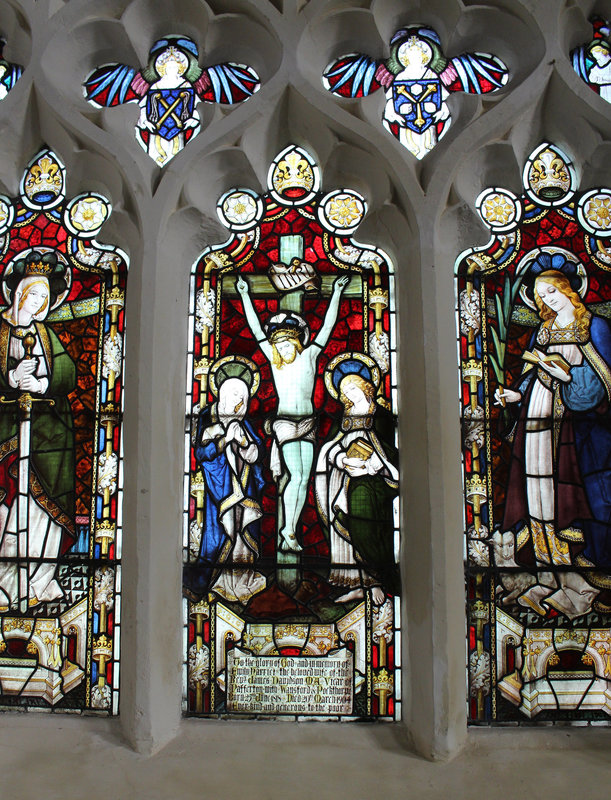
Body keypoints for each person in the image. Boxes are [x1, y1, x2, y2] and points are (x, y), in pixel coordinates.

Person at [495, 252, 611, 617]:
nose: (548, 300)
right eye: (541, 295)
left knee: (568, 495)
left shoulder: (595, 327)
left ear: (569, 290)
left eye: (552, 292)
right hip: (538, 418)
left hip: (580, 432)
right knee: (537, 492)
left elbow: (603, 385)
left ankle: (579, 585)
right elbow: (533, 375)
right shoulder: (542, 332)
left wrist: (567, 379)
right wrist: (516, 395)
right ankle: (548, 575)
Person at [236, 272, 349, 553]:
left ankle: (290, 529)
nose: (282, 348)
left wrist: (335, 293)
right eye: (278, 345)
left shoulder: (309, 356)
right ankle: (287, 530)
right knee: (295, 475)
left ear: (297, 342)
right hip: (285, 423)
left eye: (286, 344)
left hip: (308, 422)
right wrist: (244, 295)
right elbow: (255, 329)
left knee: (302, 478)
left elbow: (327, 327)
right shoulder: (276, 363)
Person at [0, 250, 76, 611]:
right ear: (19, 294)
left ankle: (38, 580)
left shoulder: (46, 337)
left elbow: (68, 374)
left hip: (47, 436)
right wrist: (10, 379)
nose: (40, 304)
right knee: (7, 505)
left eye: (46, 298)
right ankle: (5, 584)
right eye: (35, 295)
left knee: (41, 511)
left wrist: (43, 383)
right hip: (5, 433)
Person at [314, 354, 399, 605]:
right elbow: (330, 447)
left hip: (377, 483)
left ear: (365, 386)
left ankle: (378, 580)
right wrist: (341, 460)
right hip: (348, 480)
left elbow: (394, 450)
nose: (348, 393)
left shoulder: (381, 416)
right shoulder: (344, 419)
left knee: (368, 527)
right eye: (343, 391)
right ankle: (360, 583)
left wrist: (376, 463)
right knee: (347, 521)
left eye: (352, 387)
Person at [183, 357, 266, 605]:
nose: (239, 400)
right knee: (219, 533)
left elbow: (256, 453)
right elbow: (201, 452)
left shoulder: (245, 424)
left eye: (243, 395)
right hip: (217, 488)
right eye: (234, 394)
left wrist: (244, 445)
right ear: (222, 394)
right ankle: (217, 581)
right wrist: (223, 440)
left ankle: (241, 581)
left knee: (244, 531)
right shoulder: (208, 417)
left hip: (244, 489)